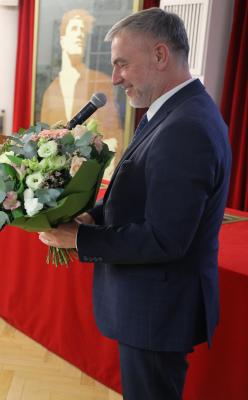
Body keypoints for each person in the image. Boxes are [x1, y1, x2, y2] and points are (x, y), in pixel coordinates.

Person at [38, 8, 231, 399]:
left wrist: (81, 239)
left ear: (160, 56)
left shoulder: (186, 127)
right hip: (151, 307)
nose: (115, 78)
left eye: (122, 64)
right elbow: (143, 195)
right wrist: (93, 216)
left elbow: (165, 238)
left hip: (157, 312)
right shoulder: (172, 111)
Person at [40, 8, 124, 179]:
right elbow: (43, 140)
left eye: (83, 31)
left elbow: (114, 137)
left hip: (91, 178)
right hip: (57, 178)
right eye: (74, 29)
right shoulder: (50, 91)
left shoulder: (100, 82)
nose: (80, 35)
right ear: (62, 40)